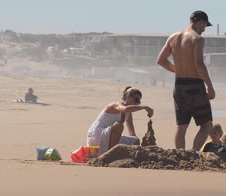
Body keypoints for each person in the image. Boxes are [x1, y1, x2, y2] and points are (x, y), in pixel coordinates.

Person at [157, 10, 215, 151]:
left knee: (182, 126)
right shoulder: (197, 39)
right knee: (206, 125)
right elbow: (199, 65)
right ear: (200, 22)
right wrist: (210, 87)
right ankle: (194, 155)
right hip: (194, 85)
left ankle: (180, 155)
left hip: (179, 85)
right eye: (204, 27)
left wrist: (179, 70)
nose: (204, 30)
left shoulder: (173, 37)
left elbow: (161, 60)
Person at [86, 86, 154, 156]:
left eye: (138, 102)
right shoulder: (115, 105)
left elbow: (132, 132)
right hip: (98, 134)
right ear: (128, 96)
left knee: (135, 141)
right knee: (119, 125)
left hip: (110, 135)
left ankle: (120, 154)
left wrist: (136, 146)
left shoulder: (129, 113)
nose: (137, 103)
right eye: (136, 100)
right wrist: (144, 107)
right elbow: (125, 109)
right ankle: (111, 154)